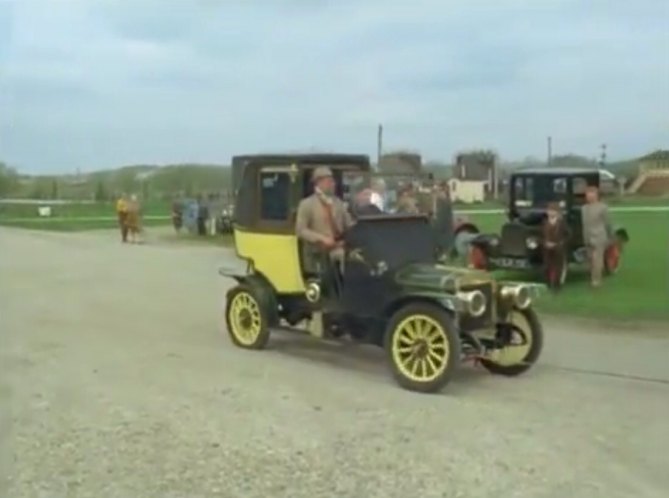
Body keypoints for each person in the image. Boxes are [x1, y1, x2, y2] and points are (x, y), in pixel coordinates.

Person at [295, 166, 354, 270]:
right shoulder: (307, 204)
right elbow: (301, 230)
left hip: (339, 247)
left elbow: (349, 224)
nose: (333, 184)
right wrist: (322, 238)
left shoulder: (338, 203)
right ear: (319, 183)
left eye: (333, 181)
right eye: (329, 181)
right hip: (318, 253)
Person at [581, 186, 612, 288]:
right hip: (588, 236)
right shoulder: (584, 208)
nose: (589, 197)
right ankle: (592, 277)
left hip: (599, 236)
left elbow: (607, 223)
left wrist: (609, 235)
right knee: (590, 259)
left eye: (592, 195)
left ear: (597, 196)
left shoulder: (603, 207)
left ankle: (596, 280)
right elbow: (584, 224)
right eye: (587, 195)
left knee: (597, 259)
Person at [542, 202, 570, 291]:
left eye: (553, 211)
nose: (551, 213)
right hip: (547, 248)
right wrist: (545, 243)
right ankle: (549, 284)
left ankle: (557, 286)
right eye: (549, 211)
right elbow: (542, 235)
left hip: (558, 248)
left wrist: (561, 243)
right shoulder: (545, 222)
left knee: (558, 267)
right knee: (547, 266)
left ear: (557, 212)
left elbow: (568, 234)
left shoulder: (561, 223)